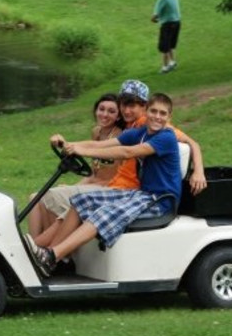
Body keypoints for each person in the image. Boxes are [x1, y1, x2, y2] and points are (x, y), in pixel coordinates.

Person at [29, 80, 207, 248]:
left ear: (144, 107)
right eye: (124, 104)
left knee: (57, 201)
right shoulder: (135, 130)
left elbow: (192, 143)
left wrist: (198, 171)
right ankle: (46, 250)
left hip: (130, 191)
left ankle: (41, 249)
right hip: (119, 187)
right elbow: (100, 146)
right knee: (44, 198)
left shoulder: (152, 126)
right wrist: (69, 145)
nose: (127, 110)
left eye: (133, 105)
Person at [31, 93, 182, 276]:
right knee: (81, 200)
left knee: (102, 213)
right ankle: (47, 259)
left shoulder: (166, 137)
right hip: (142, 195)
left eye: (163, 113)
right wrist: (69, 144)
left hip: (160, 202)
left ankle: (52, 255)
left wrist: (83, 151)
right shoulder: (140, 133)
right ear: (147, 111)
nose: (158, 117)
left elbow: (127, 152)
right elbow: (104, 145)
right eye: (154, 111)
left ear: (169, 117)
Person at [27, 92, 124, 237]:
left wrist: (66, 143)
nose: (104, 114)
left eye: (111, 111)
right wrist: (75, 186)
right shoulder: (96, 132)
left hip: (106, 189)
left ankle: (45, 249)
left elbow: (106, 173)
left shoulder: (119, 136)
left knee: (50, 197)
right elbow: (93, 172)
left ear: (118, 116)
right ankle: (35, 244)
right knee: (35, 198)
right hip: (92, 185)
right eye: (101, 109)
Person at [151, 0, 181, 74]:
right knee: (171, 44)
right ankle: (172, 62)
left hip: (167, 24)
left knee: (164, 46)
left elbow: (156, 15)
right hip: (177, 22)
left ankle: (165, 67)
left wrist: (153, 19)